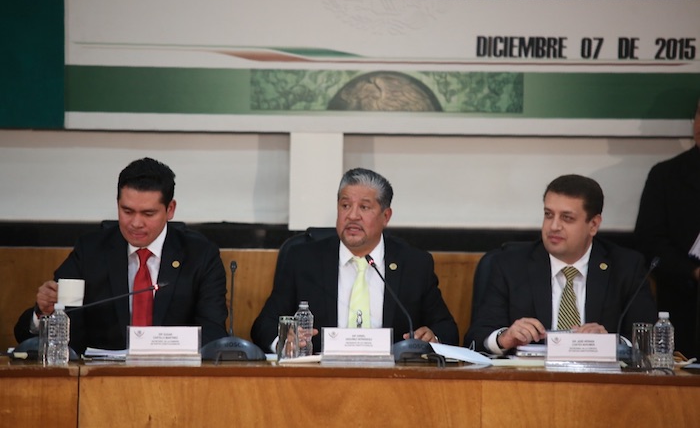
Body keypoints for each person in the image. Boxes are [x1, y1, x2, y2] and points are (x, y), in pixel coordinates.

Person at [14, 157, 228, 353]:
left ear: (170, 209)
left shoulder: (200, 255)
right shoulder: (90, 251)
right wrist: (42, 312)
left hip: (174, 378)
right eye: (127, 211)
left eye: (148, 213)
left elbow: (213, 333)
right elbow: (34, 333)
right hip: (100, 379)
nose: (135, 223)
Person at [251, 168, 458, 352]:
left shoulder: (414, 264)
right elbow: (264, 325)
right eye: (345, 205)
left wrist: (433, 337)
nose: (352, 215)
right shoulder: (303, 260)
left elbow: (446, 328)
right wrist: (283, 340)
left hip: (393, 380)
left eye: (364, 207)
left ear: (386, 216)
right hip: (319, 377)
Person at [465, 174, 657, 354]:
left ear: (593, 225)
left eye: (567, 218)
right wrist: (504, 338)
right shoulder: (509, 265)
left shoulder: (625, 267)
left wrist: (612, 343)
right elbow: (476, 338)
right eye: (549, 215)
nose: (554, 226)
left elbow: (649, 340)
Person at [635, 98, 700, 358]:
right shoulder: (667, 175)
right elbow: (649, 241)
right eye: (699, 113)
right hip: (684, 298)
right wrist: (694, 272)